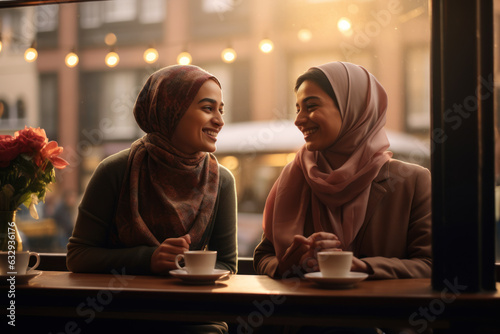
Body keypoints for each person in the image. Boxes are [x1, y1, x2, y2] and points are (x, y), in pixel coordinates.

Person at [67, 65, 237, 333]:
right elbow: (78, 256)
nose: (219, 120)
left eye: (221, 110)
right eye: (207, 108)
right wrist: (148, 259)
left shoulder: (222, 181)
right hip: (117, 314)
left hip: (192, 316)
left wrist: (183, 265)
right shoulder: (114, 170)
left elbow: (227, 264)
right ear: (171, 110)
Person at [254, 61, 431, 281]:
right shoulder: (293, 178)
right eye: (298, 109)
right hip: (306, 313)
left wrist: (363, 267)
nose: (298, 120)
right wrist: (290, 264)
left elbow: (429, 264)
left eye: (311, 107)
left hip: (384, 314)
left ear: (353, 108)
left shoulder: (412, 181)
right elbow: (264, 256)